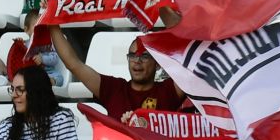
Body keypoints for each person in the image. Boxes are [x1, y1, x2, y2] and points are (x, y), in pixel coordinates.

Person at [52, 33, 188, 121]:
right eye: (132, 56)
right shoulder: (114, 88)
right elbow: (73, 64)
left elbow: (194, 66)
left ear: (158, 64)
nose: (137, 61)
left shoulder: (168, 90)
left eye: (144, 56)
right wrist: (52, 23)